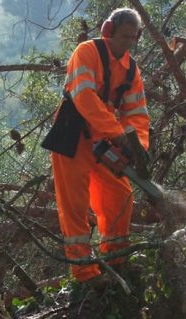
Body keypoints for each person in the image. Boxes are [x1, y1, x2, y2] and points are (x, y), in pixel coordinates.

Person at [52, 8, 150, 287]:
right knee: (75, 206)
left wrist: (137, 145)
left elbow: (137, 114)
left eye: (132, 38)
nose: (127, 43)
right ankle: (84, 275)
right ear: (108, 31)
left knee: (120, 194)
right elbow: (83, 96)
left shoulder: (131, 69)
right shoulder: (87, 52)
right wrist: (118, 134)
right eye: (122, 37)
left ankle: (116, 259)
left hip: (103, 137)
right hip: (72, 130)